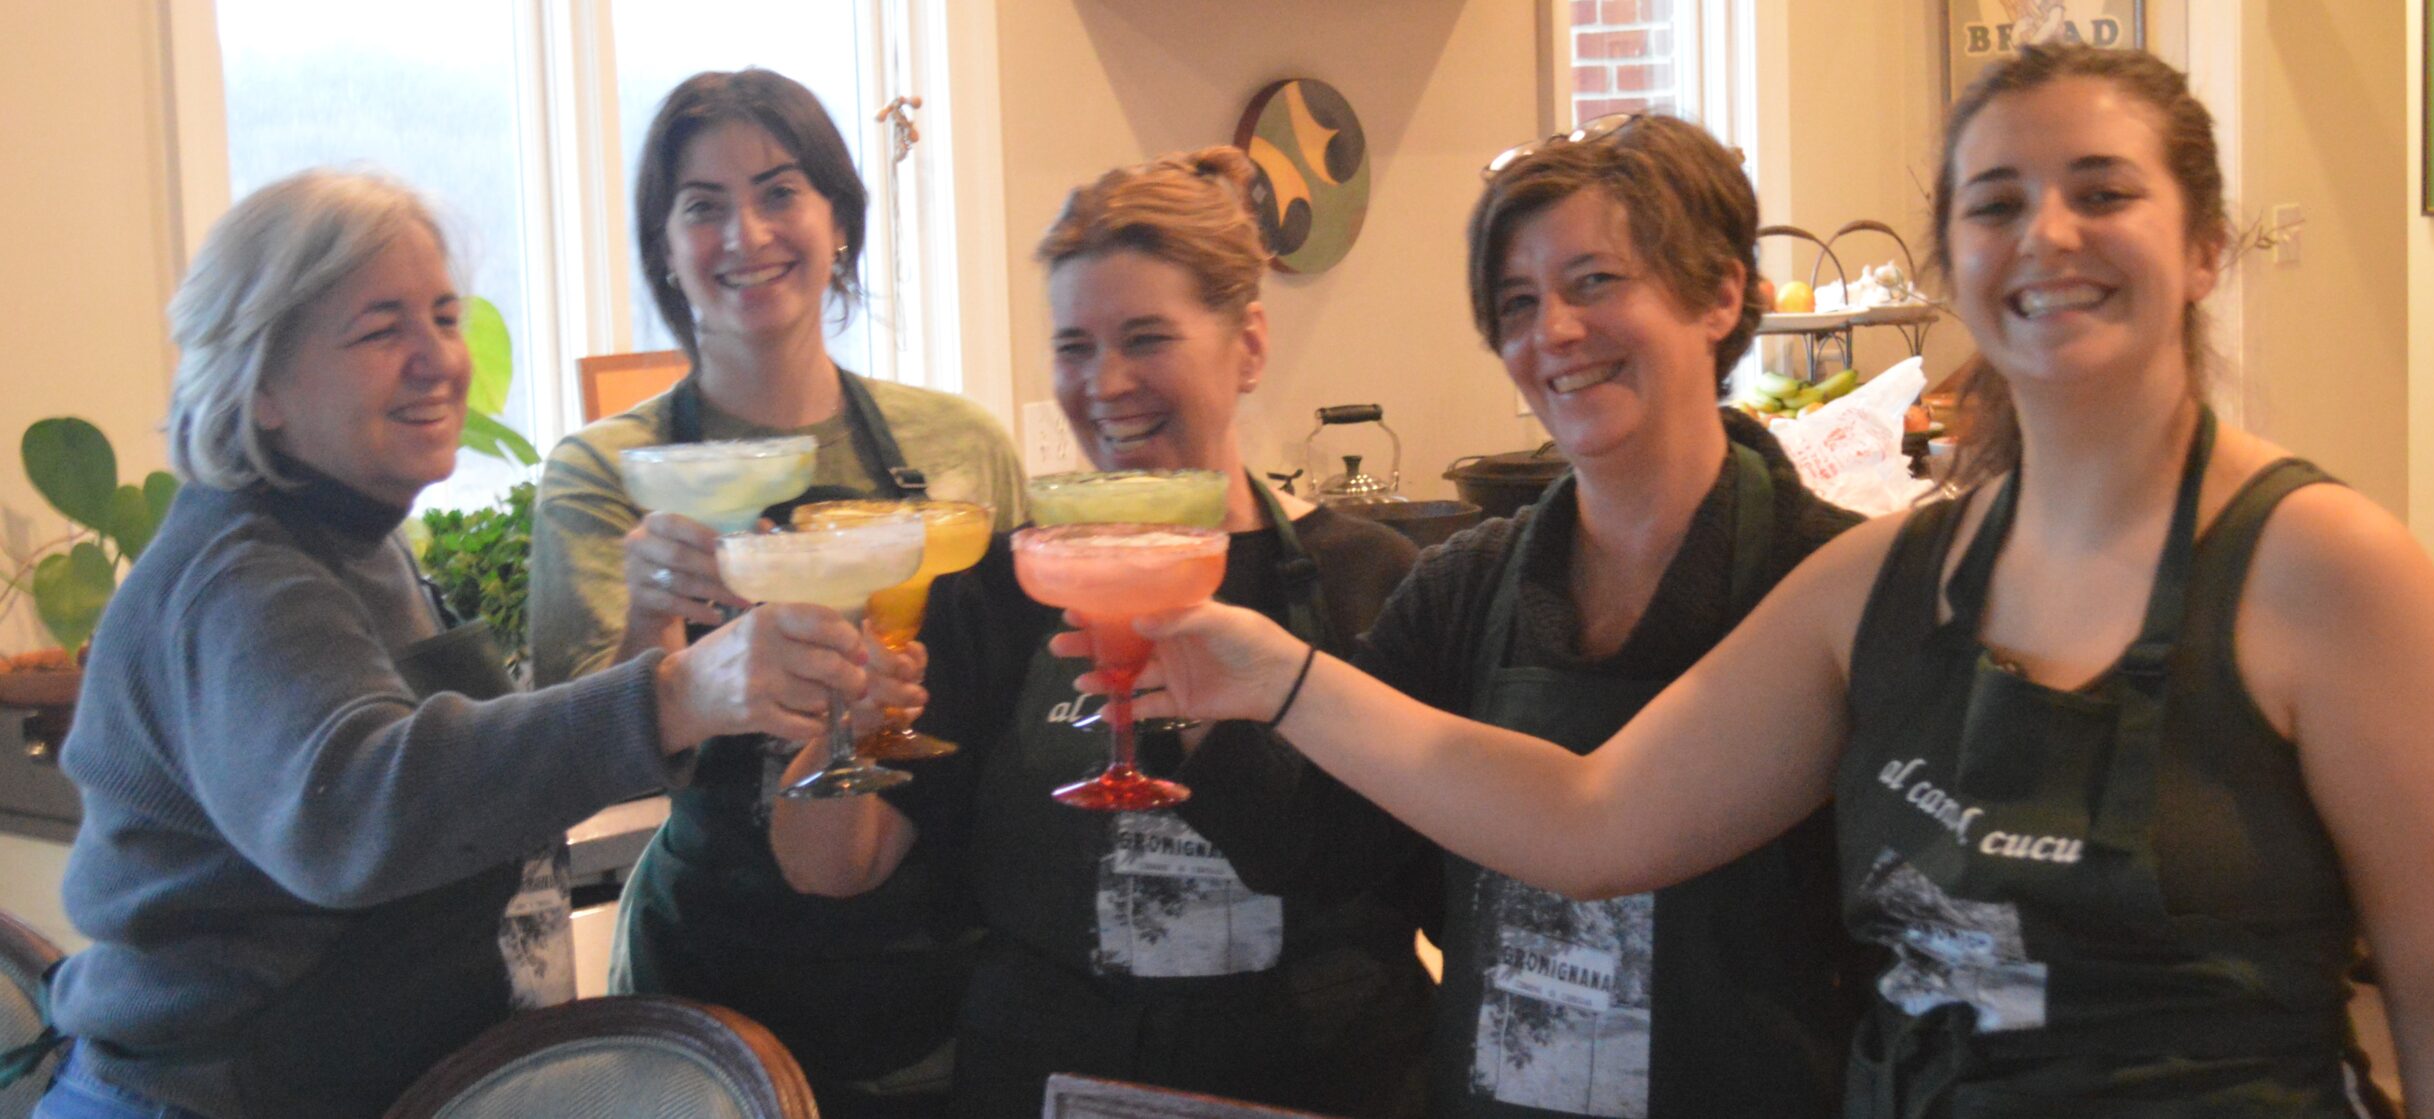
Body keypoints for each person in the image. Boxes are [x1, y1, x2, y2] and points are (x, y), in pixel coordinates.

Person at [1101, 44, 2434, 1116]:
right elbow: (1593, 816)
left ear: (2206, 242)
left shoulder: (2327, 571)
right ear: (1954, 258)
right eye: (1994, 204)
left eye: (2101, 192)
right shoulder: (1889, 582)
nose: (2043, 236)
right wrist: (1267, 676)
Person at [30, 169, 866, 1119]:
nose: (440, 360)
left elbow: (481, 782)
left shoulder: (354, 534)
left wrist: (656, 649)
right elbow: (353, 805)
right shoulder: (240, 575)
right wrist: (672, 692)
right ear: (261, 385)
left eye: (442, 316)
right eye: (382, 330)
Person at [1176, 114, 1866, 1118]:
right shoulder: (1465, 589)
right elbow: (1326, 849)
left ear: (1721, 294)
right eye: (1516, 303)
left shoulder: (1830, 582)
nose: (1553, 333)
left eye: (1594, 282)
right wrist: (1202, 705)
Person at [769, 147, 1434, 1118]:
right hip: (1046, 1083)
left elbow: (1428, 879)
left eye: (1147, 338)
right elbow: (835, 866)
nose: (1106, 382)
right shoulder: (998, 586)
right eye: (1075, 347)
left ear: (1247, 344)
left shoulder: (1370, 580)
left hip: (1319, 1081)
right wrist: (846, 719)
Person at [527, 68, 1025, 1117]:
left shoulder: (959, 448)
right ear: (664, 248)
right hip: (707, 1001)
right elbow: (578, 776)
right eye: (701, 207)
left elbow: (1017, 719)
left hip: (943, 979)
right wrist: (649, 622)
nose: (745, 234)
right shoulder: (607, 471)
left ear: (838, 218)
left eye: (779, 190)